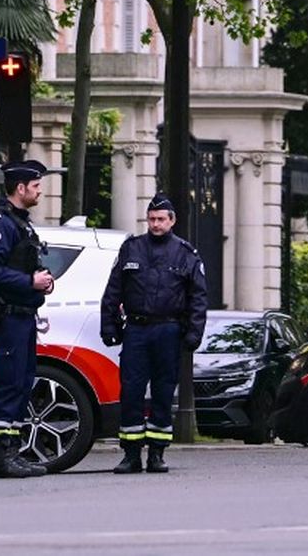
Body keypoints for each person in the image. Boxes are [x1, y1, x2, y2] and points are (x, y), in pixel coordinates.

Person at [101, 193, 208, 474]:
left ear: (172, 221)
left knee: (163, 392)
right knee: (132, 391)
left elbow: (198, 297)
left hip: (168, 330)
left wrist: (194, 333)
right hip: (136, 329)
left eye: (161, 219)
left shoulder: (186, 254)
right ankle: (131, 454)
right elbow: (113, 290)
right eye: (151, 219)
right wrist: (109, 325)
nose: (155, 224)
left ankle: (157, 453)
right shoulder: (132, 249)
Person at [0, 159, 56, 478]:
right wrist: (29, 283)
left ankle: (16, 452)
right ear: (20, 188)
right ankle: (2, 458)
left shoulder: (22, 224)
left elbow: (23, 264)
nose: (39, 192)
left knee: (23, 383)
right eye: (35, 187)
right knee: (9, 383)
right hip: (7, 315)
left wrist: (43, 280)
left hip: (24, 315)